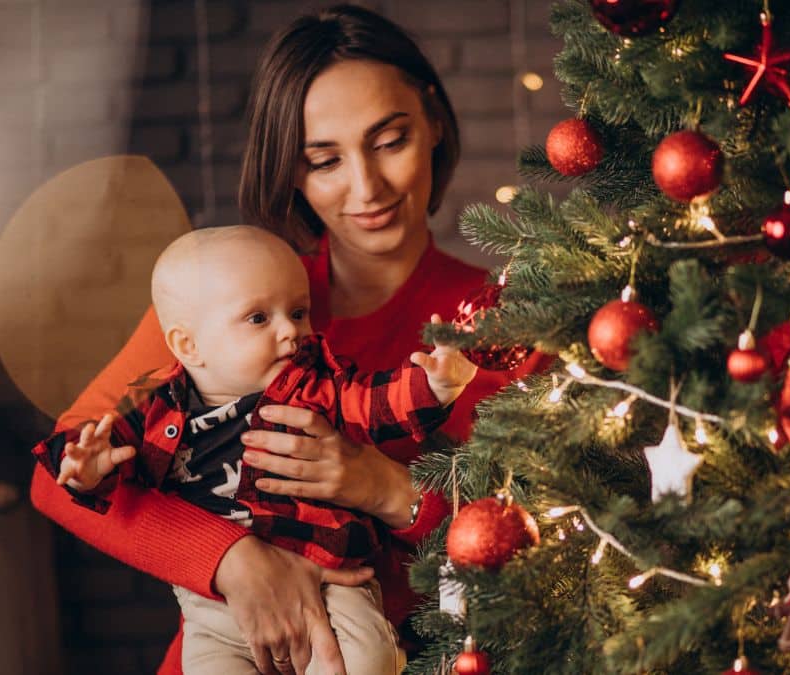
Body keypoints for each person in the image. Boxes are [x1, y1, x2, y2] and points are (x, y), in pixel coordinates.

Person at [28, 5, 543, 675]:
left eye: (390, 141)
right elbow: (55, 477)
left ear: (434, 124)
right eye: (324, 160)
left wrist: (386, 489)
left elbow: (545, 540)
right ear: (292, 172)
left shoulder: (508, 323)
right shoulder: (225, 300)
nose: (368, 186)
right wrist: (231, 560)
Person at [33, 225, 479, 674]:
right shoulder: (159, 410)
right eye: (259, 319)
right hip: (212, 606)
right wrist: (90, 469)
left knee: (366, 662)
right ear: (189, 345)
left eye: (300, 312)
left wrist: (433, 386)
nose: (292, 331)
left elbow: (376, 402)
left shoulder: (312, 385)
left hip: (330, 574)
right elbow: (98, 469)